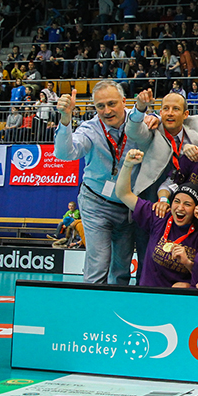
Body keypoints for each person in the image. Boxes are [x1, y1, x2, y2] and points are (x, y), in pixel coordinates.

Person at [54, 81, 139, 285]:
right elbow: (65, 153)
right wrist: (65, 120)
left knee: (121, 267)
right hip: (96, 202)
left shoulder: (139, 124)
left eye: (112, 104)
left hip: (128, 206)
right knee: (98, 263)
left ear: (124, 101)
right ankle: (91, 303)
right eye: (100, 106)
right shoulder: (90, 129)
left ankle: (115, 304)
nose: (107, 111)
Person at [116, 150, 198, 287]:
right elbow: (123, 194)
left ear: (196, 209)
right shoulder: (159, 216)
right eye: (177, 201)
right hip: (150, 293)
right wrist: (127, 165)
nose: (180, 208)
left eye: (187, 204)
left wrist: (187, 264)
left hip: (179, 296)